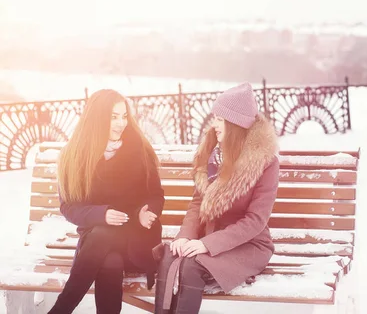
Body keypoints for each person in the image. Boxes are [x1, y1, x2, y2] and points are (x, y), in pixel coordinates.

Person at [153, 82, 279, 313]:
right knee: (171, 256)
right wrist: (185, 237)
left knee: (191, 265)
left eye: (220, 119)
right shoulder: (213, 153)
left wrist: (206, 244)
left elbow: (255, 221)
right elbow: (198, 203)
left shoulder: (265, 162)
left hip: (248, 245)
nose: (214, 124)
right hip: (207, 237)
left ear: (236, 124)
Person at [48, 89, 164, 314]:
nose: (121, 123)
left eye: (124, 116)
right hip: (97, 244)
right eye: (114, 117)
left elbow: (156, 194)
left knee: (104, 236)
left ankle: (59, 310)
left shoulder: (138, 149)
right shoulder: (75, 155)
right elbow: (69, 207)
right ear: (97, 118)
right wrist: (101, 215)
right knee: (109, 259)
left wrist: (145, 211)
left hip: (136, 238)